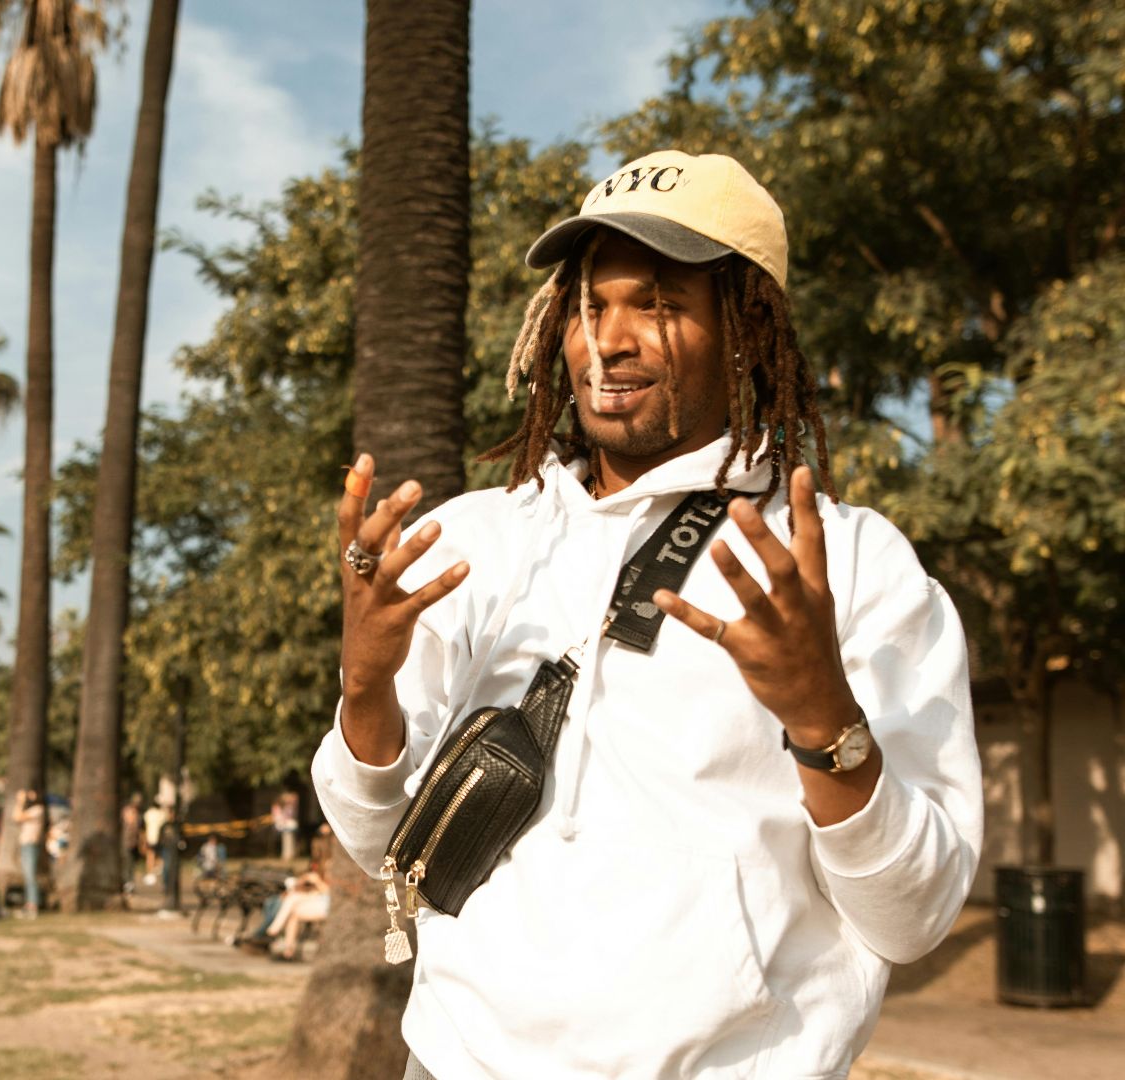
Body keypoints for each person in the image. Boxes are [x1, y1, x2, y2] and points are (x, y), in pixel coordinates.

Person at [316, 150, 982, 1079]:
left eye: (659, 304)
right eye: (590, 306)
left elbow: (913, 918)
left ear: (744, 326)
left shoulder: (848, 562)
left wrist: (824, 719)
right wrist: (364, 688)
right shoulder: (473, 540)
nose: (610, 340)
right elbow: (380, 846)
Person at [14, 789, 46, 917]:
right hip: (25, 845)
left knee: (30, 875)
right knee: (27, 876)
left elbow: (18, 817)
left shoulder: (38, 809)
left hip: (31, 845)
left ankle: (33, 905)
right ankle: (29, 904)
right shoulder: (30, 810)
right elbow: (15, 817)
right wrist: (19, 803)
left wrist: (20, 801)